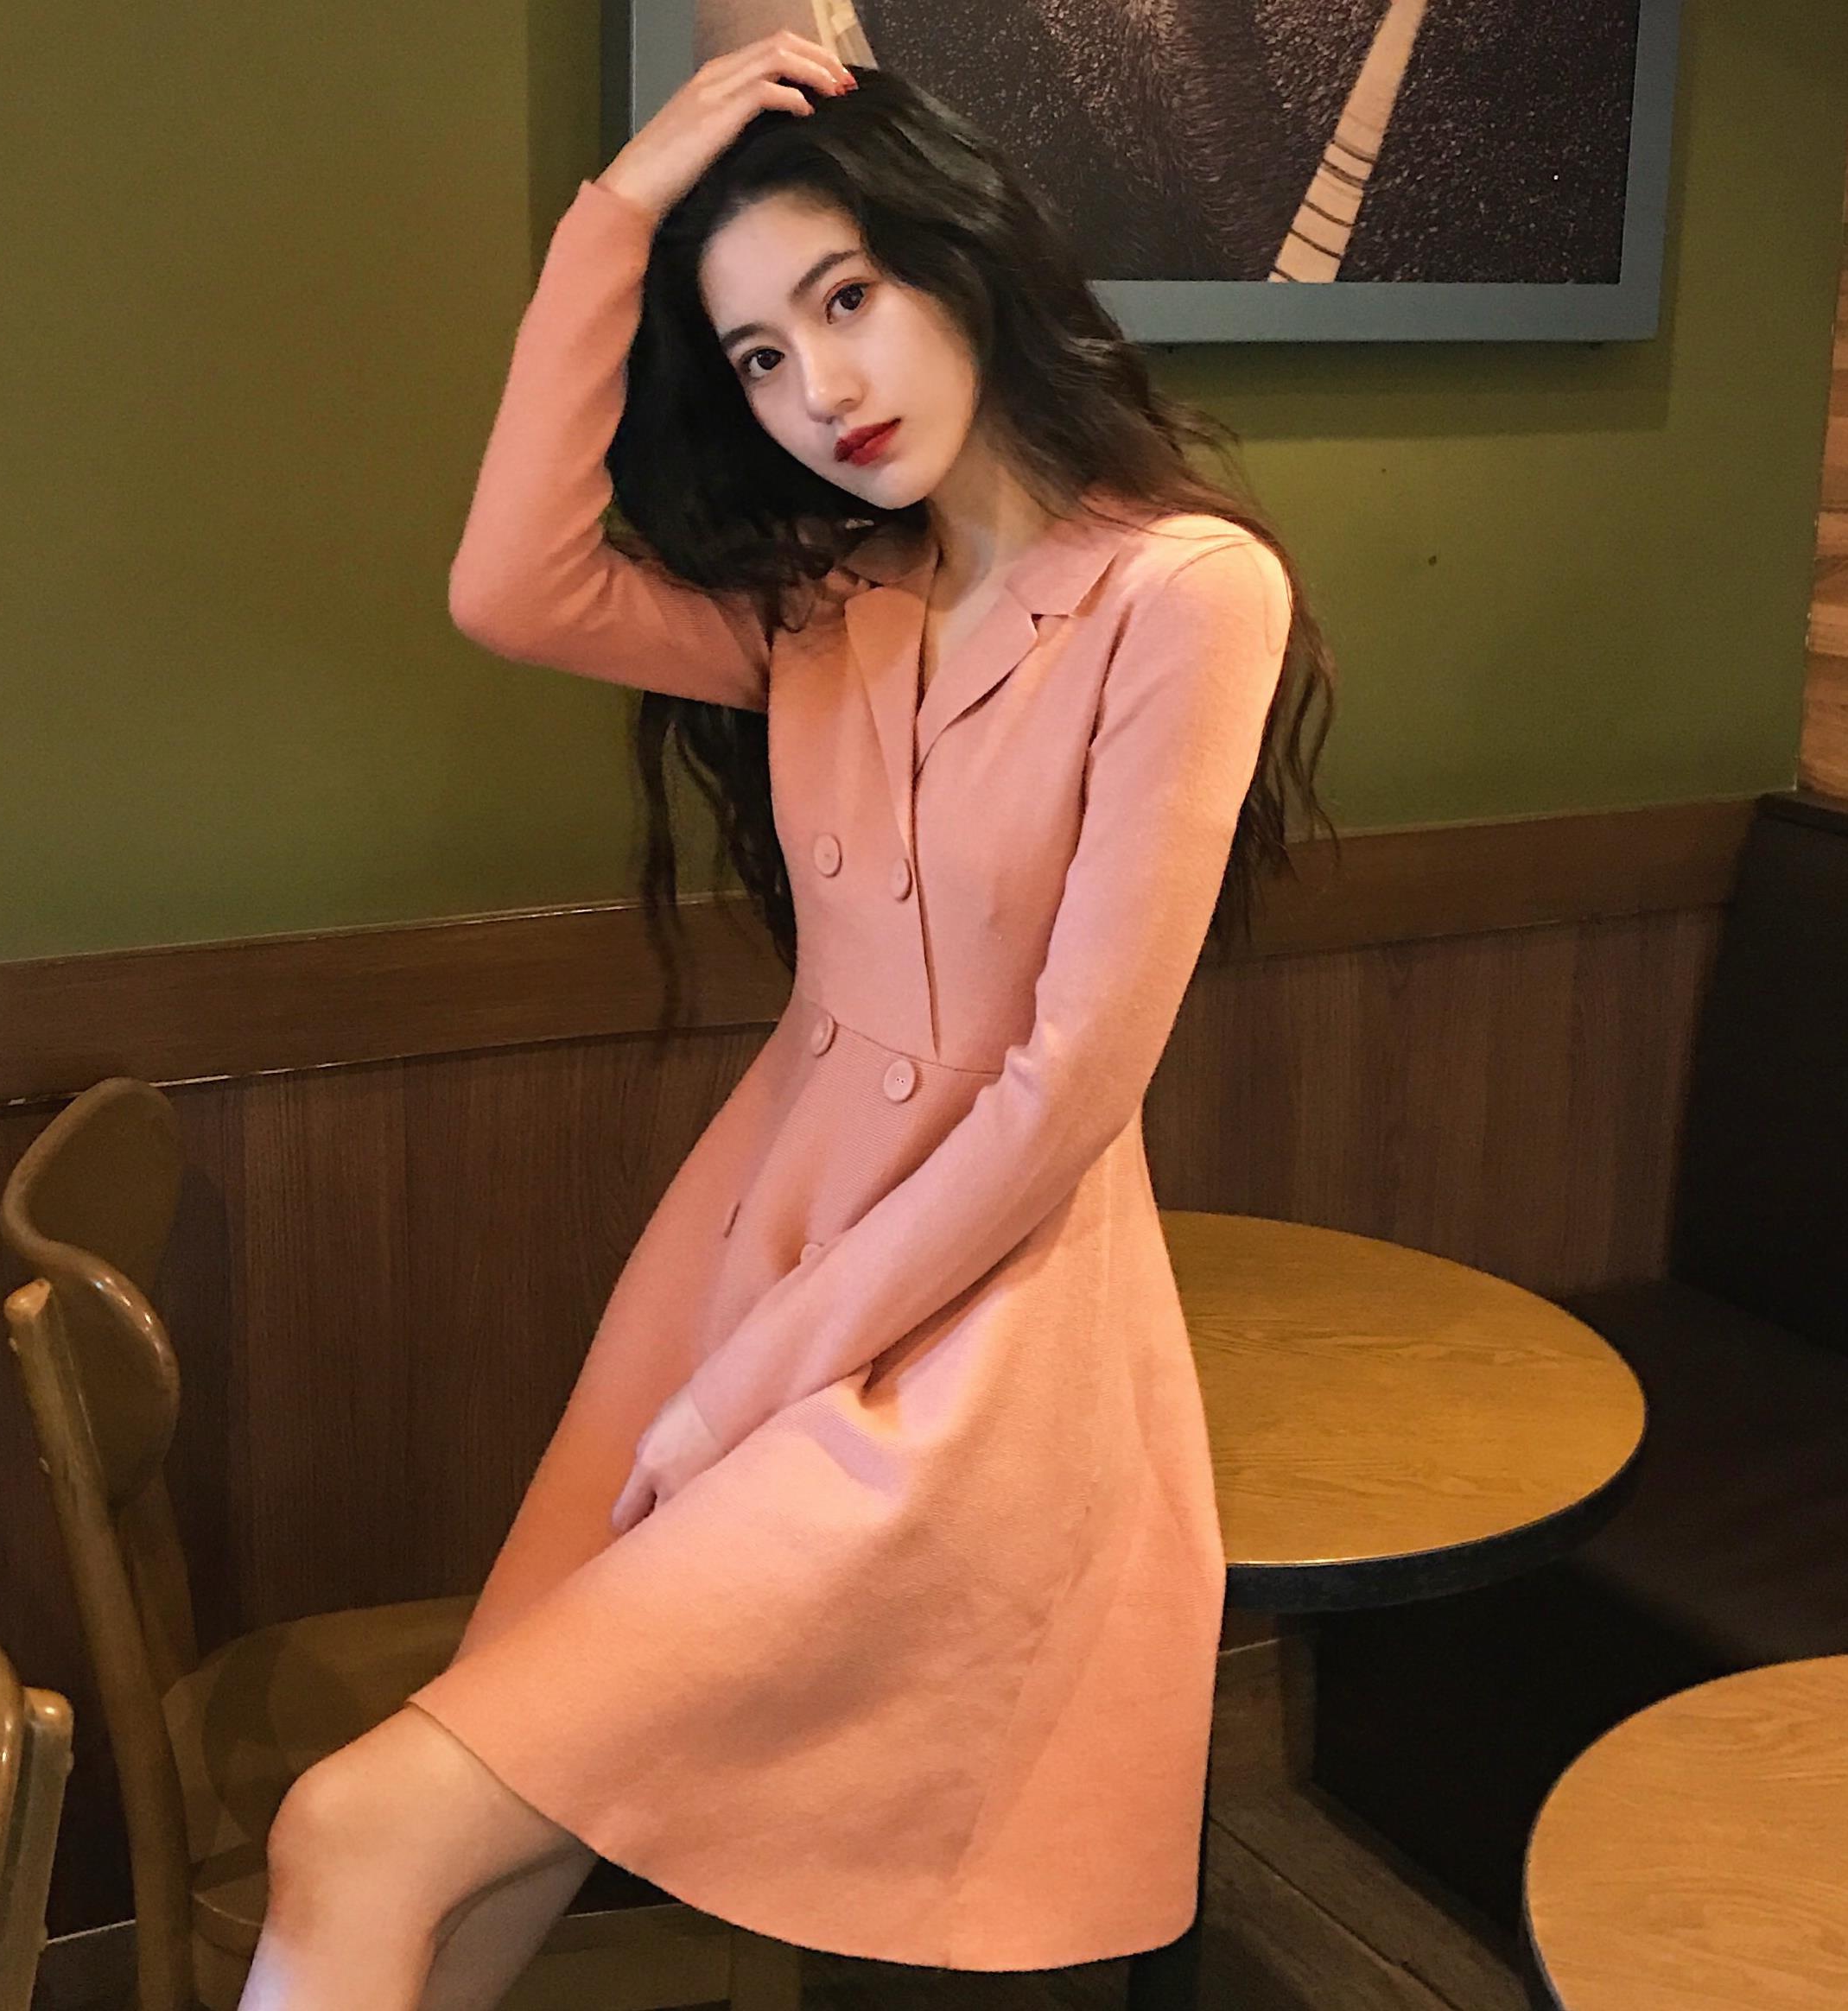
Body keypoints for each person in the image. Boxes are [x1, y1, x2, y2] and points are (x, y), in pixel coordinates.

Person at [238, 32, 1338, 2011]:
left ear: (966, 261)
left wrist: (750, 1389)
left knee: (361, 1823)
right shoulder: (832, 602)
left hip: (966, 1342)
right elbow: (510, 586)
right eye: (757, 353)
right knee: (488, 1827)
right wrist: (620, 209)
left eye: (848, 298)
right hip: (745, 1245)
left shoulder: (1184, 595)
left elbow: (1065, 1088)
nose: (819, 388)